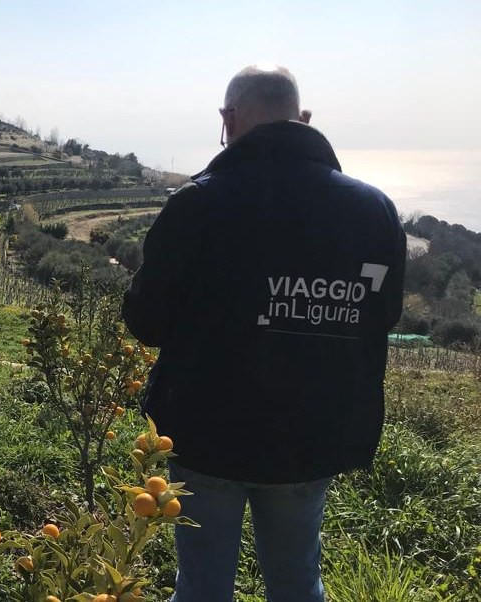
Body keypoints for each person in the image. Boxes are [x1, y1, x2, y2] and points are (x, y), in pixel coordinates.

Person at [121, 65, 406, 601]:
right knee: (298, 582)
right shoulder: (374, 210)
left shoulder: (198, 203)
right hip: (314, 433)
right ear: (304, 120)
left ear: (227, 120)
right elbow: (381, 315)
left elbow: (147, 321)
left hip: (206, 436)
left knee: (203, 587)